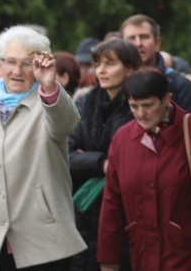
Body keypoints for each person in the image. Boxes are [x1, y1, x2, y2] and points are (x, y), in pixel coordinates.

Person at [0, 26, 86, 270]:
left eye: (27, 63)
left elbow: (66, 123)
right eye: (10, 62)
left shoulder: (49, 105)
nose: (17, 71)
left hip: (44, 246)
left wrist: (50, 86)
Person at [97, 69, 191, 270]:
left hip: (190, 258)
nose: (140, 114)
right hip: (142, 257)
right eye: (134, 106)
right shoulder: (122, 139)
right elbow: (112, 206)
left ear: (166, 98)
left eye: (147, 105)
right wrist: (108, 262)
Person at [68, 39, 142, 271]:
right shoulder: (84, 103)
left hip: (125, 212)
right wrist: (101, 162)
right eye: (98, 63)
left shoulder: (139, 107)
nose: (100, 70)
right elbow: (64, 154)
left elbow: (134, 161)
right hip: (83, 209)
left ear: (129, 68)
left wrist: (86, 156)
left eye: (110, 63)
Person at [120, 14, 191, 116]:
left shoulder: (180, 85)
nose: (138, 43)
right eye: (131, 38)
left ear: (157, 43)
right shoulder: (113, 83)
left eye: (144, 37)